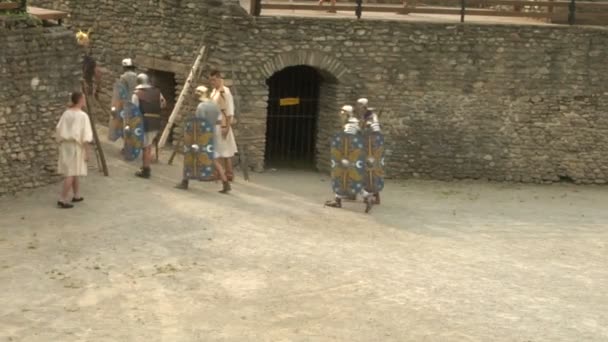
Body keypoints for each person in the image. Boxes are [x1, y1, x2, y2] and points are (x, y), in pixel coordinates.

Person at [175, 86, 231, 193]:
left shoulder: (201, 106)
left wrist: (194, 138)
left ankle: (184, 182)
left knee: (190, 156)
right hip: (212, 133)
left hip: (201, 135)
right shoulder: (215, 105)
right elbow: (218, 121)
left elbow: (198, 123)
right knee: (213, 158)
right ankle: (225, 183)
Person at [324, 105, 375, 213]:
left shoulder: (349, 126)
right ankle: (366, 197)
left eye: (342, 113)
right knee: (349, 178)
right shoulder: (355, 123)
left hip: (349, 156)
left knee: (340, 177)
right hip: (356, 154)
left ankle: (339, 200)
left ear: (346, 113)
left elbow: (346, 141)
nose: (340, 115)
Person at [55, 92, 93, 209]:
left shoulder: (66, 113)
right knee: (71, 173)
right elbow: (86, 136)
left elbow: (58, 128)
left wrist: (60, 141)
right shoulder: (83, 116)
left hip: (66, 145)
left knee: (73, 170)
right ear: (80, 100)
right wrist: (87, 152)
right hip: (76, 145)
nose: (85, 101)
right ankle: (62, 198)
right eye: (84, 99)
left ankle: (76, 195)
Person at [132, 73, 166, 178]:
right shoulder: (157, 92)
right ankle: (145, 167)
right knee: (149, 145)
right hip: (156, 122)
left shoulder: (137, 94)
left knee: (145, 147)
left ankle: (146, 170)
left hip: (144, 122)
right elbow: (164, 104)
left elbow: (134, 110)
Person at [209, 70, 238, 182]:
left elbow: (230, 110)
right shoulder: (214, 92)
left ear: (219, 79)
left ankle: (228, 174)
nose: (212, 82)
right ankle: (218, 173)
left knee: (225, 149)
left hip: (223, 124)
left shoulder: (225, 91)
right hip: (215, 124)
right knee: (218, 148)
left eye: (214, 80)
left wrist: (227, 126)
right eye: (210, 80)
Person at [356, 97, 382, 205]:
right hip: (364, 146)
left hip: (372, 148)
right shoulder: (364, 116)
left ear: (364, 106)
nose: (358, 108)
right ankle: (366, 196)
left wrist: (368, 127)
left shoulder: (372, 117)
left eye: (360, 106)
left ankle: (375, 197)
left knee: (370, 172)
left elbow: (376, 132)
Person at [76, 29, 102, 98]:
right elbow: (98, 75)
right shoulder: (90, 61)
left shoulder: (71, 59)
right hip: (85, 90)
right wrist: (97, 89)